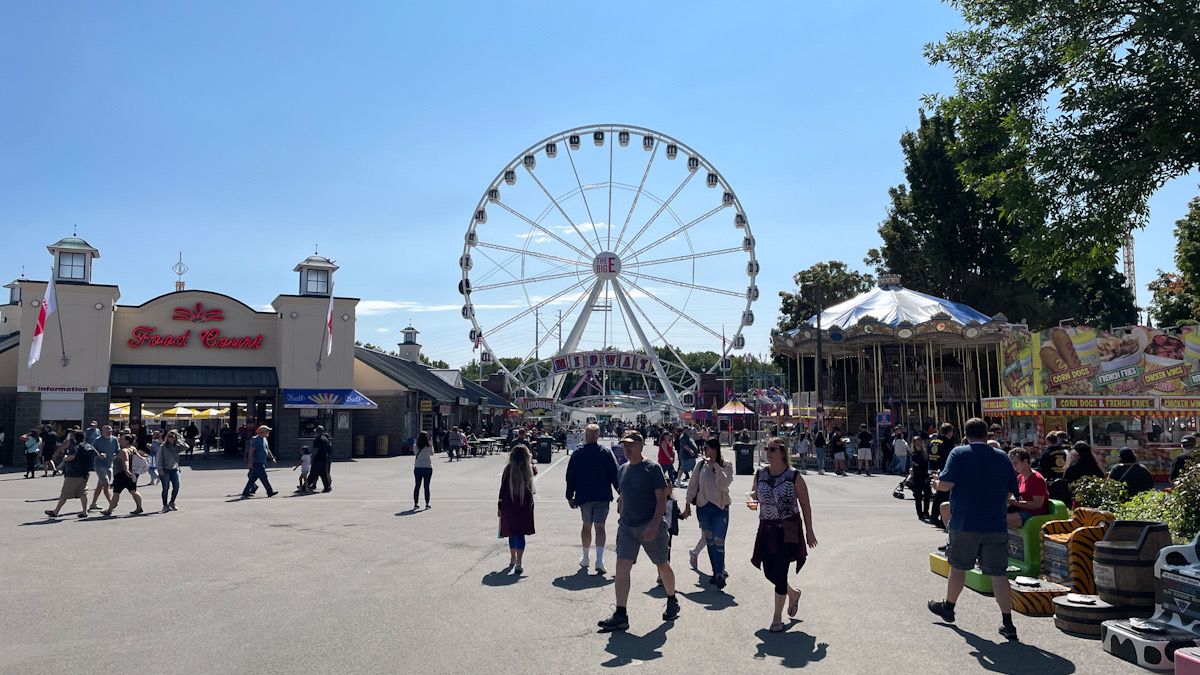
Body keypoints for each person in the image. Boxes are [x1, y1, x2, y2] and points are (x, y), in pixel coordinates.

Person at [927, 418, 1021, 642]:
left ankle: (949, 608)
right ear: (987, 434)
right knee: (998, 573)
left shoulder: (959, 454)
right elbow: (1011, 492)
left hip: (965, 521)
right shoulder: (1001, 457)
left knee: (958, 566)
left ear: (966, 434)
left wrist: (935, 484)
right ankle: (1008, 622)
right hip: (995, 523)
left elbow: (947, 484)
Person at [597, 431, 678, 632]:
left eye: (631, 445)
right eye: (625, 445)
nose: (627, 448)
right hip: (627, 526)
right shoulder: (623, 469)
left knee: (662, 565)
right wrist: (621, 504)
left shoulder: (652, 468)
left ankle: (671, 598)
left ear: (641, 446)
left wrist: (653, 527)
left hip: (650, 524)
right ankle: (620, 614)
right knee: (622, 566)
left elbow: (661, 501)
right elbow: (623, 493)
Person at [750, 437, 818, 633]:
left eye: (772, 449)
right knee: (769, 572)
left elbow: (805, 504)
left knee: (780, 571)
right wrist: (753, 501)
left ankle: (777, 617)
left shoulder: (793, 476)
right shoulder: (760, 473)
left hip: (788, 529)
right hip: (766, 528)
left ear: (782, 452)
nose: (768, 452)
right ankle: (792, 593)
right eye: (766, 449)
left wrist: (809, 530)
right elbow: (755, 495)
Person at [565, 423, 620, 574]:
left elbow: (570, 476)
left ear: (586, 436)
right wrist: (621, 492)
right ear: (598, 436)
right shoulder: (606, 452)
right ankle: (599, 560)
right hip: (602, 496)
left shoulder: (578, 453)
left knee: (586, 526)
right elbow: (615, 475)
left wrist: (570, 495)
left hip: (584, 496)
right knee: (600, 527)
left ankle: (585, 557)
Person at [681, 438, 734, 588]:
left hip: (720, 508)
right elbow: (692, 485)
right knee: (709, 541)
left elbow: (723, 484)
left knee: (719, 541)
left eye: (708, 448)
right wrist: (687, 505)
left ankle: (719, 573)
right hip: (703, 509)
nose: (705, 451)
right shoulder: (700, 465)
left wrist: (715, 466)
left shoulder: (726, 465)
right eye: (704, 449)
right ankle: (717, 572)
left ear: (715, 449)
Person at [499, 444, 536, 574]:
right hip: (524, 505)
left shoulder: (508, 469)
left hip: (510, 504)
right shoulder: (528, 468)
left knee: (512, 532)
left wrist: (499, 505)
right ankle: (519, 562)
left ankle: (513, 557)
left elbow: (502, 488)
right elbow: (535, 471)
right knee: (520, 533)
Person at [45, 432, 98, 519]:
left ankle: (56, 511)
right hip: (85, 473)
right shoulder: (88, 446)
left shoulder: (75, 446)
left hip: (73, 473)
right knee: (83, 493)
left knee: (64, 494)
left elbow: (72, 457)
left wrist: (65, 458)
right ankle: (84, 512)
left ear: (74, 437)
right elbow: (97, 455)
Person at [104, 434, 145, 516]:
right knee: (134, 491)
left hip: (121, 474)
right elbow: (140, 458)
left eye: (122, 439)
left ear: (126, 441)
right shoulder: (133, 449)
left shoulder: (124, 451)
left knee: (116, 492)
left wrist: (126, 470)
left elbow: (125, 461)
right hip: (132, 473)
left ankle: (109, 510)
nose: (120, 440)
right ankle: (139, 507)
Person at [1006, 448, 1048, 529]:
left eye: (1016, 463)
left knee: (999, 520)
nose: (1013, 466)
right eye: (1012, 463)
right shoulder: (1020, 477)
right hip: (1021, 511)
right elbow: (1012, 494)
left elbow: (1037, 504)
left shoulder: (1036, 478)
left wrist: (1014, 502)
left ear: (1025, 462)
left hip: (1034, 515)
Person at [927, 423, 954, 529]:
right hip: (943, 470)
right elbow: (949, 457)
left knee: (938, 496)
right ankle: (939, 518)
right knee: (943, 496)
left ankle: (934, 516)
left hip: (933, 468)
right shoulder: (946, 442)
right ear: (949, 432)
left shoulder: (934, 441)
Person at [241, 425, 277, 498]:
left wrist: (272, 458)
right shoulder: (256, 440)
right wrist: (250, 462)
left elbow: (268, 450)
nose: (268, 432)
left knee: (253, 478)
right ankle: (270, 492)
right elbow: (251, 452)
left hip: (262, 462)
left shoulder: (264, 439)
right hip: (257, 462)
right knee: (264, 477)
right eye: (267, 431)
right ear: (262, 432)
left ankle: (245, 492)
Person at [88, 425, 118, 512]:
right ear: (102, 432)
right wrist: (98, 455)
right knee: (106, 483)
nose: (109, 432)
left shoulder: (114, 439)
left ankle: (93, 504)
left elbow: (117, 450)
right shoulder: (97, 440)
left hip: (109, 465)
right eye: (107, 430)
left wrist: (116, 456)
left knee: (100, 485)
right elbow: (90, 451)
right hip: (99, 465)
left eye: (110, 430)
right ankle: (112, 503)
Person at [158, 430, 186, 512]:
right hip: (165, 469)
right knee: (166, 488)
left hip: (175, 469)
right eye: (169, 436)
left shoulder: (177, 446)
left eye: (173, 437)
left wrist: (179, 439)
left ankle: (172, 502)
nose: (171, 438)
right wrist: (160, 469)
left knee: (177, 486)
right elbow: (159, 458)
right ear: (167, 437)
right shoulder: (163, 446)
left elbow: (186, 447)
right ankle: (165, 505)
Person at [910, 436, 932, 521]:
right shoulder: (913, 453)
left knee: (927, 495)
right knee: (918, 497)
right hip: (917, 477)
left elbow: (926, 463)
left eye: (919, 441)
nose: (917, 443)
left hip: (925, 476)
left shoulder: (925, 452)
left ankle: (926, 512)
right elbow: (914, 464)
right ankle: (920, 514)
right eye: (915, 442)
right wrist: (915, 465)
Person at [308, 426, 333, 492]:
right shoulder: (326, 439)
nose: (314, 433)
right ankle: (327, 488)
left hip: (318, 459)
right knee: (323, 474)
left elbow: (316, 450)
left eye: (315, 432)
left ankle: (306, 486)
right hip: (324, 459)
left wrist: (312, 458)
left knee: (312, 473)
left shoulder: (317, 440)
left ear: (318, 432)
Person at [413, 431, 434, 509]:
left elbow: (415, 453)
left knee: (417, 486)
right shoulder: (429, 446)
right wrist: (431, 443)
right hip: (427, 467)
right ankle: (427, 503)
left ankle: (415, 504)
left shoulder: (415, 446)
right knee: (426, 486)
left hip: (418, 467)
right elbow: (432, 453)